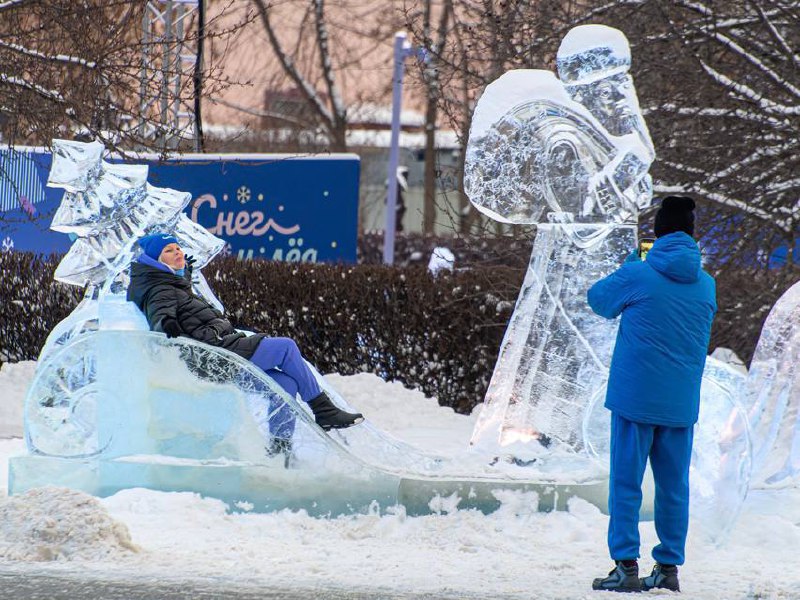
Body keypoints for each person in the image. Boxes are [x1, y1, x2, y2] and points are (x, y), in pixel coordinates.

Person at [126, 232, 364, 452]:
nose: (177, 252)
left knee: (285, 385)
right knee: (285, 348)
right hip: (214, 356)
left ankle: (281, 451)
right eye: (168, 250)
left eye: (178, 247)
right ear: (155, 260)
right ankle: (323, 409)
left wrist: (184, 275)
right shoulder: (160, 288)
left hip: (220, 351)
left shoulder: (174, 284)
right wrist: (166, 324)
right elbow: (159, 315)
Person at [587, 196, 717, 593]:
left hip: (635, 400)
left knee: (626, 484)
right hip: (679, 404)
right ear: (691, 236)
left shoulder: (639, 274)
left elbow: (598, 300)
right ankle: (668, 569)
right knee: (674, 487)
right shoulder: (707, 284)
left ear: (657, 234)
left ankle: (625, 567)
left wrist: (630, 267)